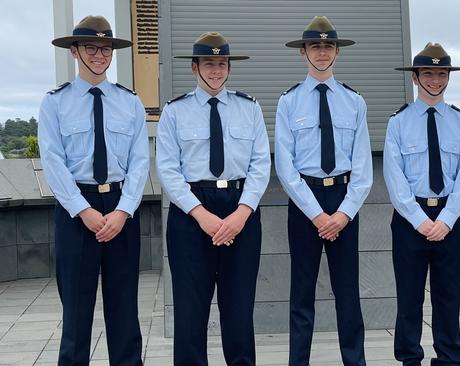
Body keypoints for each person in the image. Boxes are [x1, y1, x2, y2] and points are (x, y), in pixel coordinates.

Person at [38, 15, 148, 365]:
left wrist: (123, 210)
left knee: (124, 313)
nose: (100, 55)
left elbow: (139, 162)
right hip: (76, 211)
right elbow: (52, 161)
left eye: (106, 48)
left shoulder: (129, 102)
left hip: (120, 209)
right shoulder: (55, 102)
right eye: (91, 47)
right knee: (76, 313)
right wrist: (82, 210)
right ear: (75, 51)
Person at [156, 32, 270, 366]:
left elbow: (261, 164)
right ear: (195, 68)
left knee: (238, 309)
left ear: (229, 68)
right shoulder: (175, 112)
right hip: (191, 214)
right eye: (209, 63)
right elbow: (167, 168)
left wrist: (242, 213)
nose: (216, 70)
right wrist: (200, 214)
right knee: (191, 312)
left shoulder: (249, 108)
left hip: (240, 208)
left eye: (222, 63)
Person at [274, 15, 372, 366]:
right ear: (303, 52)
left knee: (348, 294)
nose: (321, 52)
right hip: (305, 205)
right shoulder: (288, 102)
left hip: (343, 202)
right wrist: (317, 214)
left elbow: (363, 168)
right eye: (314, 46)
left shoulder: (354, 101)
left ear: (336, 52)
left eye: (327, 46)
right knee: (301, 294)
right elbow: (285, 167)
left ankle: (354, 361)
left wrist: (343, 214)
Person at [384, 42, 460, 366]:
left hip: (448, 219)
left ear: (448, 77)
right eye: (428, 73)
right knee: (409, 300)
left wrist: (447, 219)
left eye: (441, 73)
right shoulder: (398, 122)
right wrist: (420, 220)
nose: (435, 80)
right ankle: (410, 359)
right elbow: (394, 177)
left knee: (448, 299)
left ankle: (449, 359)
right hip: (411, 221)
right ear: (415, 77)